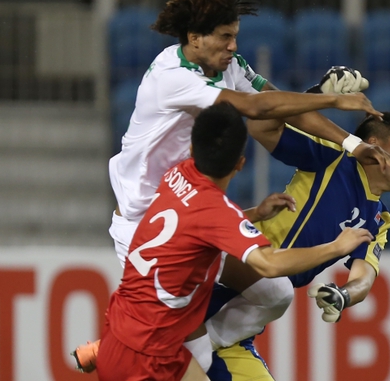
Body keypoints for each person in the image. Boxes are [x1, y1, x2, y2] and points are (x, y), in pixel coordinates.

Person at [73, 0, 390, 373]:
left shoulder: (230, 66)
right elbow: (256, 109)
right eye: (225, 37)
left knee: (275, 295)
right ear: (195, 37)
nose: (233, 46)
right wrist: (330, 99)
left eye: (235, 36)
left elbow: (272, 101)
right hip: (143, 222)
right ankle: (133, 345)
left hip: (187, 204)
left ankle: (164, 342)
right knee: (189, 354)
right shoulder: (172, 78)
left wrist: (351, 142)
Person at [96, 102, 374, 381]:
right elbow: (269, 263)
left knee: (202, 357)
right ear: (240, 164)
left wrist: (254, 214)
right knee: (210, 348)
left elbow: (198, 224)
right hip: (150, 353)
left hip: (120, 324)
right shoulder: (218, 210)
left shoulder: (175, 174)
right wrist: (336, 247)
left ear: (193, 150)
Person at [204, 110, 390, 380]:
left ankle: (197, 344)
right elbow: (261, 124)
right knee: (278, 290)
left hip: (247, 316)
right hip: (228, 278)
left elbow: (364, 278)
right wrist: (318, 93)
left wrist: (344, 295)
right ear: (374, 143)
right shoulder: (334, 156)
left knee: (278, 291)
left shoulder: (379, 221)